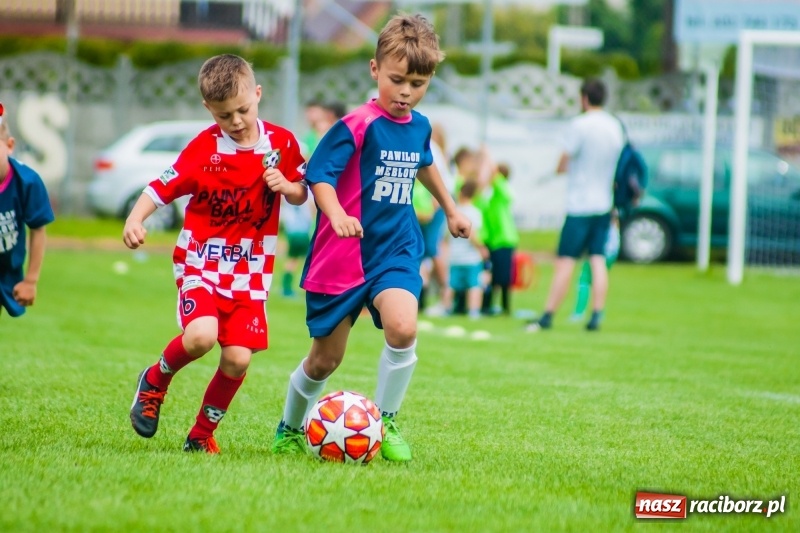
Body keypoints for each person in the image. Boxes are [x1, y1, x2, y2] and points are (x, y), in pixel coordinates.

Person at [271, 13, 471, 462]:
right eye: (398, 80)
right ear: (374, 69)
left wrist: (451, 208)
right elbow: (319, 176)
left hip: (395, 248)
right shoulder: (354, 125)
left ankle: (386, 419)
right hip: (340, 255)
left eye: (418, 84)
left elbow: (423, 163)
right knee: (325, 361)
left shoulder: (420, 125)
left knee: (403, 327)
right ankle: (288, 427)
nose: (406, 92)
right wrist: (337, 213)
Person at [125, 54, 308, 454]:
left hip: (251, 271)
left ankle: (201, 435)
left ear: (258, 94)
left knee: (238, 359)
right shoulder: (202, 150)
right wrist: (135, 219)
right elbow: (160, 187)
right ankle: (155, 381)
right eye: (225, 115)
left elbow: (301, 192)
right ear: (209, 110)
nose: (237, 121)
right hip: (201, 263)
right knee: (202, 337)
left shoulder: (282, 143)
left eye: (244, 109)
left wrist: (287, 186)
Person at [526, 78, 624, 332]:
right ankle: (596, 315)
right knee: (598, 260)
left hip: (580, 205)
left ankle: (548, 315)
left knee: (566, 261)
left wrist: (558, 171)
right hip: (604, 203)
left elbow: (564, 160)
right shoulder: (615, 126)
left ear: (584, 98)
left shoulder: (580, 125)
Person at [0, 103, 55, 318]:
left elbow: (38, 229)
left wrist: (31, 280)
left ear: (10, 145)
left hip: (7, 269)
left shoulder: (27, 182)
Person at [474, 151, 519, 316]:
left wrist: (486, 154)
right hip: (492, 241)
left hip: (504, 240)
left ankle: (505, 307)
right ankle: (489, 306)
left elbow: (494, 174)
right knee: (490, 275)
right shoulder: (491, 198)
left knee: (503, 276)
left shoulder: (503, 192)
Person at [441, 180, 486, 319]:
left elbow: (446, 237)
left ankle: (446, 309)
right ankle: (473, 312)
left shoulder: (454, 213)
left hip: (455, 257)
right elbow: (473, 234)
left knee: (451, 285)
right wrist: (482, 248)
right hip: (471, 258)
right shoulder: (475, 212)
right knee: (474, 285)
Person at [569, 210, 620, 321]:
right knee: (598, 279)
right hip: (611, 253)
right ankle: (599, 312)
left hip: (599, 253)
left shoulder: (600, 220)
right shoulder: (613, 225)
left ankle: (579, 312)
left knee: (584, 281)